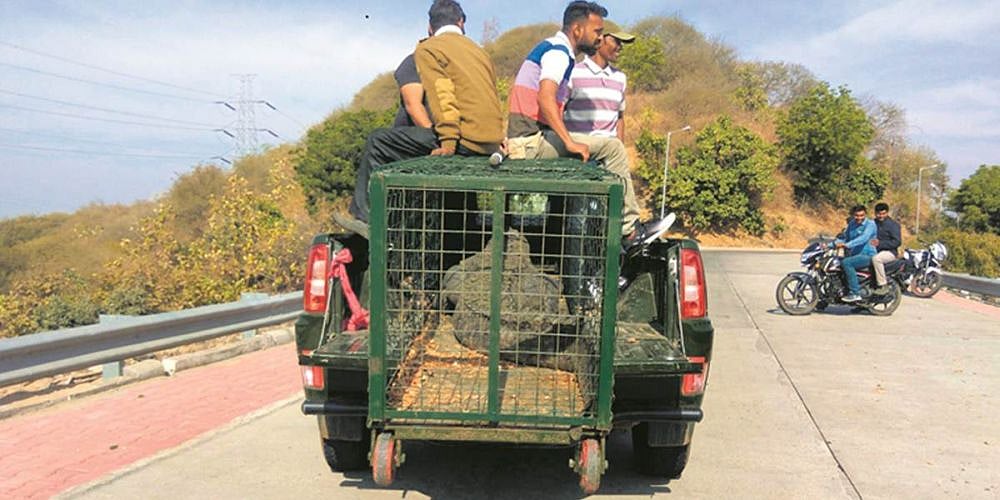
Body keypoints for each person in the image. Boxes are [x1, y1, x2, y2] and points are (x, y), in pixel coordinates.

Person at [505, 1, 670, 248]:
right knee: (613, 149)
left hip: (527, 139)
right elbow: (544, 98)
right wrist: (569, 141)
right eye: (597, 32)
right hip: (531, 142)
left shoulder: (550, 48)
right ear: (577, 30)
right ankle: (630, 231)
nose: (600, 38)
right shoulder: (558, 53)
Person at [338, 0, 503, 236]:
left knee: (377, 141)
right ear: (461, 22)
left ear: (429, 27)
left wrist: (447, 142)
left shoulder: (430, 49)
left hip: (463, 140)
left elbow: (442, 92)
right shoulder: (479, 52)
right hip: (490, 141)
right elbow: (491, 95)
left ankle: (367, 220)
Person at [564, 31, 634, 142]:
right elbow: (558, 110)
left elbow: (619, 118)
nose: (620, 47)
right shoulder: (573, 73)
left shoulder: (620, 78)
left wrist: (620, 148)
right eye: (616, 41)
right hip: (579, 151)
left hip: (609, 152)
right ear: (599, 40)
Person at [835, 205, 877, 303]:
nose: (859, 218)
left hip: (868, 255)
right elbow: (844, 237)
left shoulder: (870, 224)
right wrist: (830, 244)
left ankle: (855, 293)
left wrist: (847, 245)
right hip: (855, 255)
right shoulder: (852, 224)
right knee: (836, 264)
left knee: (846, 263)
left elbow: (864, 238)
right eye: (857, 216)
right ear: (853, 215)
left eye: (861, 215)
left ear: (865, 214)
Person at [870, 202, 902, 294]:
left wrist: (880, 243)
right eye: (879, 214)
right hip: (873, 250)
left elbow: (897, 242)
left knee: (876, 259)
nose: (881, 216)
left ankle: (882, 284)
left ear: (887, 213)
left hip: (889, 253)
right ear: (875, 213)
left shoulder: (893, 225)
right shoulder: (872, 223)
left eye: (883, 213)